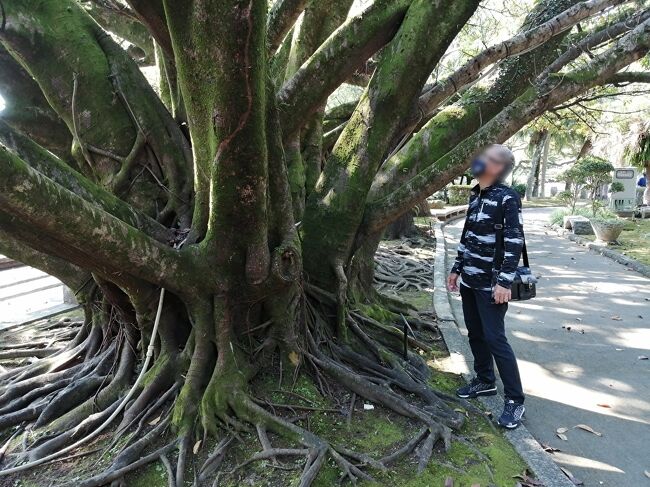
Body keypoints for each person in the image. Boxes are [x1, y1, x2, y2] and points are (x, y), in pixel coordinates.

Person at [447, 144, 526, 429]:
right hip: (469, 279)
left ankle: (515, 400)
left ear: (499, 168)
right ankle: (484, 380)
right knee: (475, 333)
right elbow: (467, 235)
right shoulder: (476, 194)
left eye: (488, 159)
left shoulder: (508, 198)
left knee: (496, 339)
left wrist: (504, 282)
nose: (480, 160)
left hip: (492, 285)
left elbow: (514, 242)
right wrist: (456, 269)